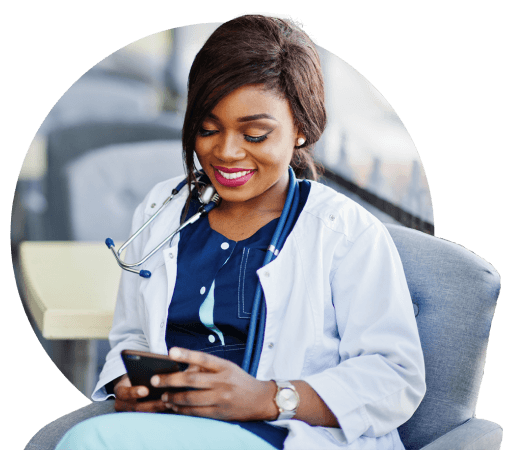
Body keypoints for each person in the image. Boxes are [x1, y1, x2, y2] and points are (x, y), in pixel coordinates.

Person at [27, 14, 426, 450]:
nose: (226, 152)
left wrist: (270, 398)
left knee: (91, 441)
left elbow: (395, 377)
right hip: (175, 427)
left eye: (255, 134)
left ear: (301, 131)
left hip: (289, 437)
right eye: (207, 129)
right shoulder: (162, 209)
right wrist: (129, 382)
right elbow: (133, 334)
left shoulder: (346, 233)